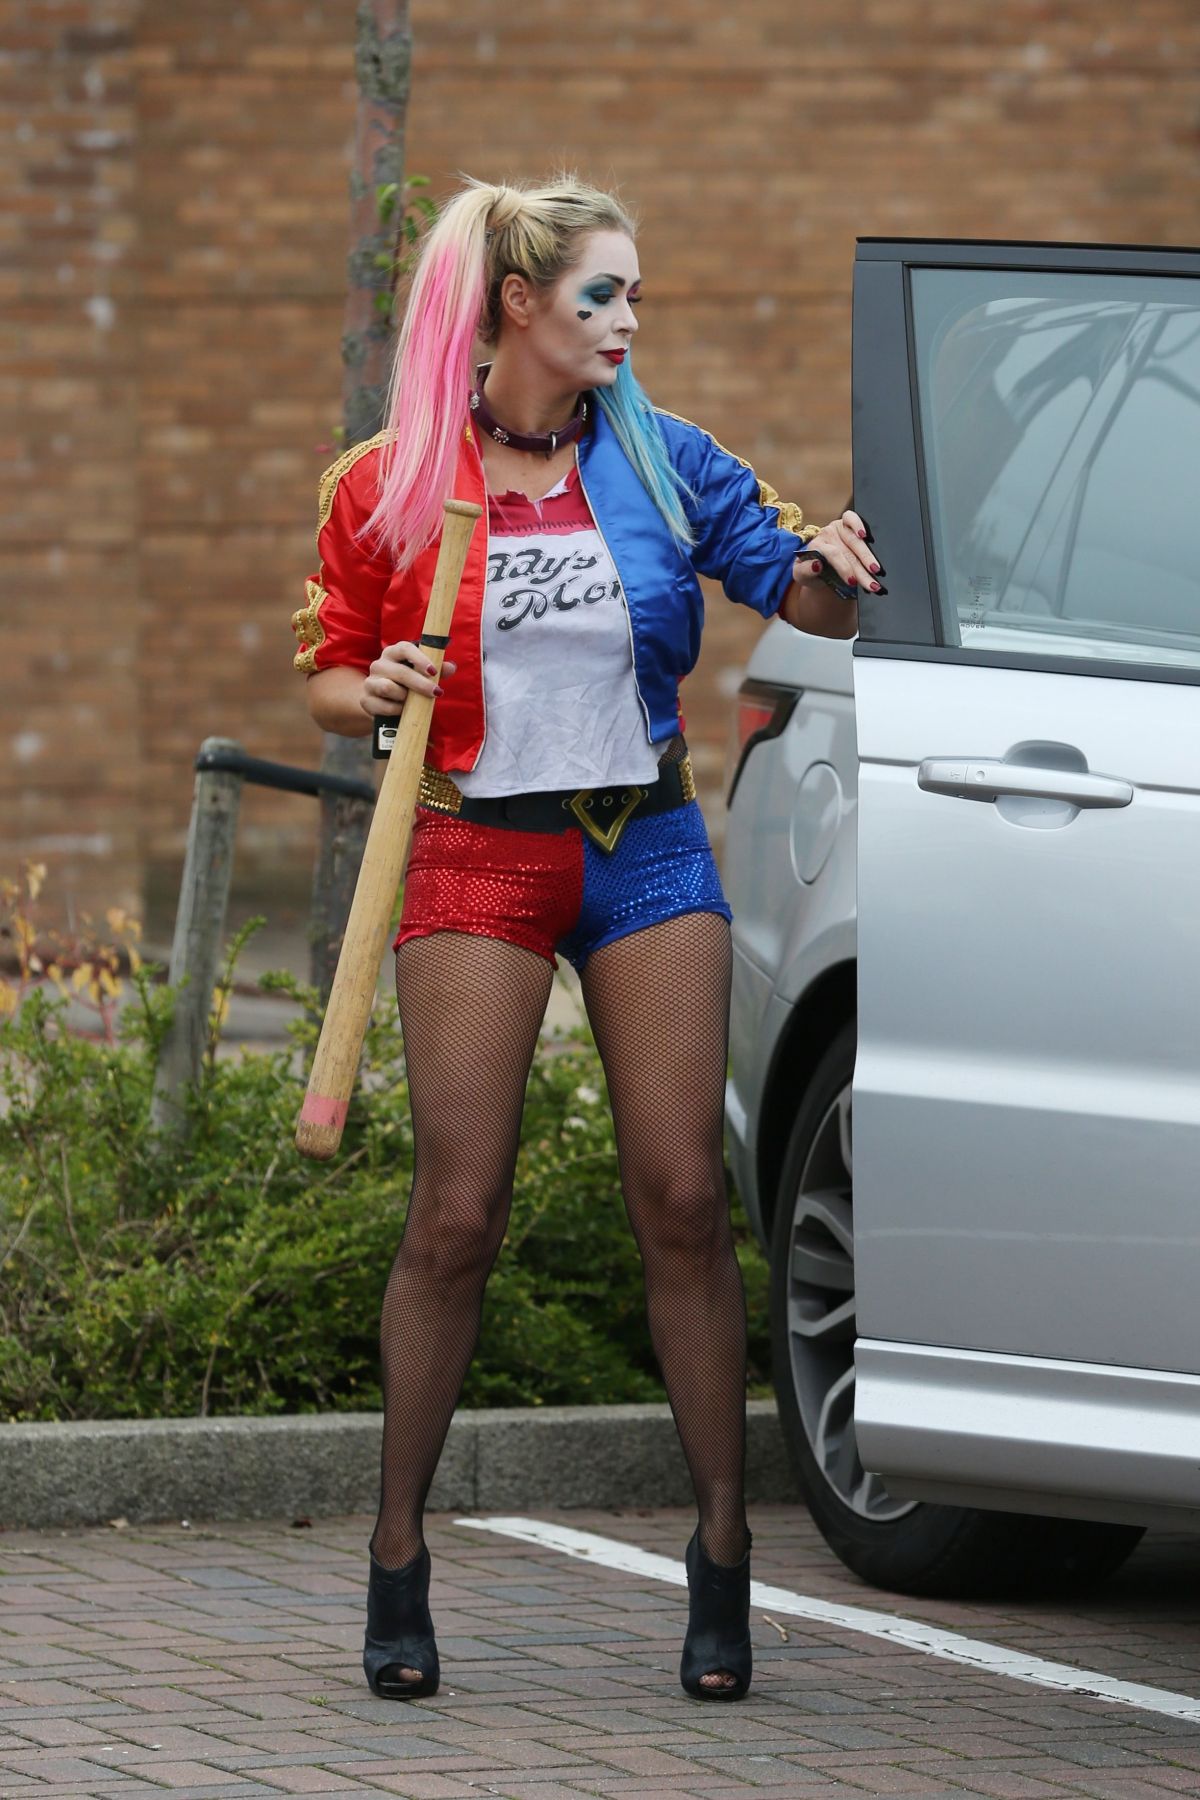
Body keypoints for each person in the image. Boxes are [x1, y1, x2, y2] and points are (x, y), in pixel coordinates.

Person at [293, 174, 880, 1704]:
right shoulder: (390, 478)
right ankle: (399, 1552)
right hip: (478, 850)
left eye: (636, 296)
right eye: (602, 295)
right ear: (517, 306)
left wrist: (842, 563)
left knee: (687, 1199)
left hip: (644, 844)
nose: (629, 321)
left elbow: (795, 589)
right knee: (456, 1217)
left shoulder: (666, 460)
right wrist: (379, 685)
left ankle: (724, 1552)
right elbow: (330, 674)